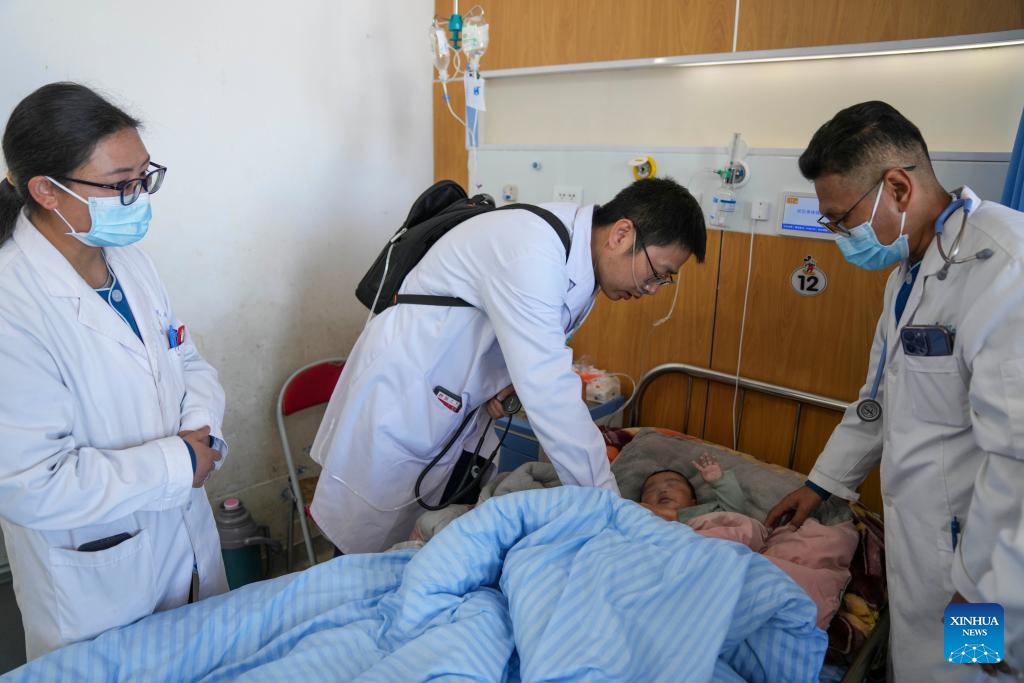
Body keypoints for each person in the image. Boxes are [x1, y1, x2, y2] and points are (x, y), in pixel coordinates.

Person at [765, 101, 1024, 681]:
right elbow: (877, 401)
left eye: (842, 220)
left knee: (968, 674)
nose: (840, 236)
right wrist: (820, 485)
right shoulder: (909, 273)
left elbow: (1019, 461)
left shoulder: (1007, 269)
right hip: (924, 543)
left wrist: (990, 592)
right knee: (920, 666)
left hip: (983, 571)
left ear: (898, 188)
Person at [311, 177, 707, 554]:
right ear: (621, 234)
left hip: (454, 404)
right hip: (405, 399)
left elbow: (521, 343)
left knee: (429, 542)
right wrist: (609, 509)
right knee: (363, 552)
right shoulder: (532, 250)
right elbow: (550, 393)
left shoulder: (577, 263)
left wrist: (504, 380)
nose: (651, 289)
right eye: (658, 273)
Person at [0, 82, 229, 659]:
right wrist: (178, 463)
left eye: (145, 178)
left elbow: (186, 358)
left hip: (186, 538)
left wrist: (200, 432)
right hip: (99, 581)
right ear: (46, 190)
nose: (138, 197)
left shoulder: (130, 262)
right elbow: (31, 484)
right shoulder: (12, 304)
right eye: (121, 184)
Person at [640, 453, 746, 522]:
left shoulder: (704, 513)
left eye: (672, 485)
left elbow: (734, 512)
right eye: (651, 490)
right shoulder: (638, 515)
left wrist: (719, 481)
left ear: (693, 502)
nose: (662, 490)